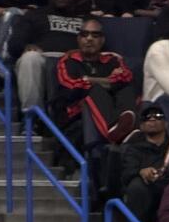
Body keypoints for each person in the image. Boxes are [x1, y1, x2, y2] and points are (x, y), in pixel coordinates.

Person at [53, 18, 137, 147]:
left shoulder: (112, 59)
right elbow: (72, 86)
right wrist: (108, 81)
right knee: (95, 90)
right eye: (84, 35)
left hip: (112, 107)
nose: (89, 39)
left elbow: (125, 78)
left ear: (102, 40)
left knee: (126, 89)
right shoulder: (67, 60)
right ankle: (116, 130)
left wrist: (89, 79)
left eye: (95, 35)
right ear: (78, 39)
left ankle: (122, 125)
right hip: (77, 115)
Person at [7, 0, 85, 109]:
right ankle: (32, 119)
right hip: (43, 60)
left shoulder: (87, 19)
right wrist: (26, 46)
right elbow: (13, 45)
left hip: (74, 64)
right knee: (30, 58)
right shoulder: (35, 14)